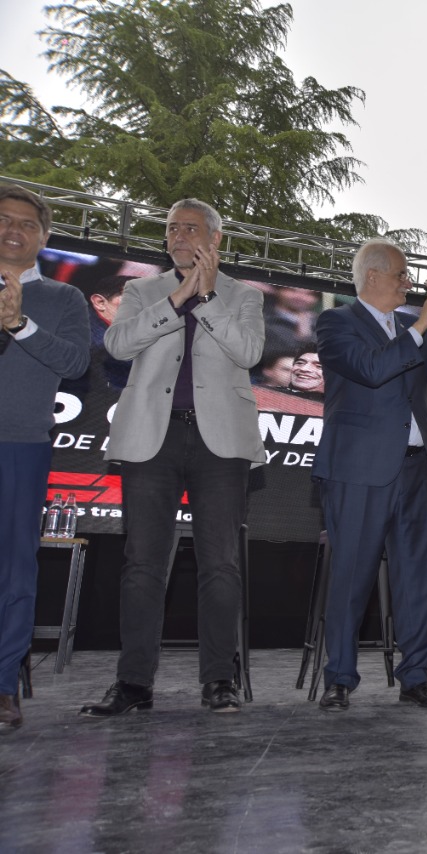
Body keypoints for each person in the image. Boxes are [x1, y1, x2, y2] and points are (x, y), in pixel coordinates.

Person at [82, 198, 265, 718]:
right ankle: (134, 683)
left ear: (215, 239)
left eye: (190, 228)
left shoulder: (244, 295)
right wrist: (178, 296)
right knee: (143, 563)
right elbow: (119, 344)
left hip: (220, 442)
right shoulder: (142, 290)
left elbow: (249, 353)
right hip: (151, 439)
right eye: (171, 228)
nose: (179, 236)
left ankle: (219, 680)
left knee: (220, 564)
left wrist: (204, 298)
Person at [311, 238, 427, 712]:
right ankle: (340, 678)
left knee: (417, 579)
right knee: (351, 576)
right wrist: (418, 329)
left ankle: (416, 677)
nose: (407, 283)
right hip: (358, 470)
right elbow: (371, 368)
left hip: (414, 470)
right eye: (401, 275)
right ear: (372, 276)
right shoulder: (336, 322)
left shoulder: (408, 327)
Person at [0, 184, 90, 732]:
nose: (14, 229)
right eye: (4, 219)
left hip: (21, 443)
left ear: (44, 236)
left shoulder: (64, 299)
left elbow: (76, 362)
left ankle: (2, 686)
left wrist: (19, 324)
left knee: (14, 570)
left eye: (27, 223)